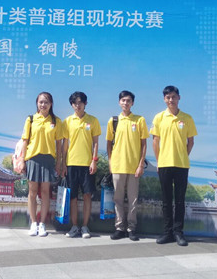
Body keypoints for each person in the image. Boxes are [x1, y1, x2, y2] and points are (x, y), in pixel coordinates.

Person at [151, 85, 197, 246]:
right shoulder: (159, 118)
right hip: (164, 164)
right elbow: (155, 141)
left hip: (182, 165)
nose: (171, 100)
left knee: (179, 201)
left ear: (179, 98)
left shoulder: (187, 118)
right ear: (164, 99)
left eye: (174, 97)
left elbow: (191, 142)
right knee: (166, 200)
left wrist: (183, 155)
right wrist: (159, 161)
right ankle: (167, 232)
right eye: (168, 97)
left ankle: (178, 232)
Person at [20, 92, 64, 237]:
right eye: (40, 102)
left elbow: (59, 144)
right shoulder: (31, 119)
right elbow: (25, 141)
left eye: (46, 102)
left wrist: (59, 163)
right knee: (32, 192)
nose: (43, 105)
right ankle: (33, 223)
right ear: (37, 103)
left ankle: (42, 224)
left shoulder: (56, 121)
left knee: (45, 192)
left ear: (51, 104)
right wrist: (22, 160)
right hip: (33, 158)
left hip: (48, 160)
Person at [106, 90, 148, 241]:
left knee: (133, 200)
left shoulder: (139, 120)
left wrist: (141, 164)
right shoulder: (113, 121)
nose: (126, 103)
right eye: (123, 100)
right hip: (117, 165)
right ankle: (119, 228)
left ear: (132, 103)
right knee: (117, 199)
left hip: (134, 167)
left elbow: (144, 144)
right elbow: (108, 143)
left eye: (128, 100)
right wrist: (110, 162)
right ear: (119, 102)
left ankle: (131, 228)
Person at [61, 91, 101, 239]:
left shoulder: (93, 120)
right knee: (72, 197)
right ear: (72, 105)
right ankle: (74, 227)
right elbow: (65, 145)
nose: (77, 105)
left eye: (80, 102)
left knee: (87, 195)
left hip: (87, 164)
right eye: (75, 103)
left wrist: (94, 160)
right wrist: (63, 164)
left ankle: (85, 227)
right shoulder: (67, 121)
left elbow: (95, 143)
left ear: (85, 103)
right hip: (71, 164)